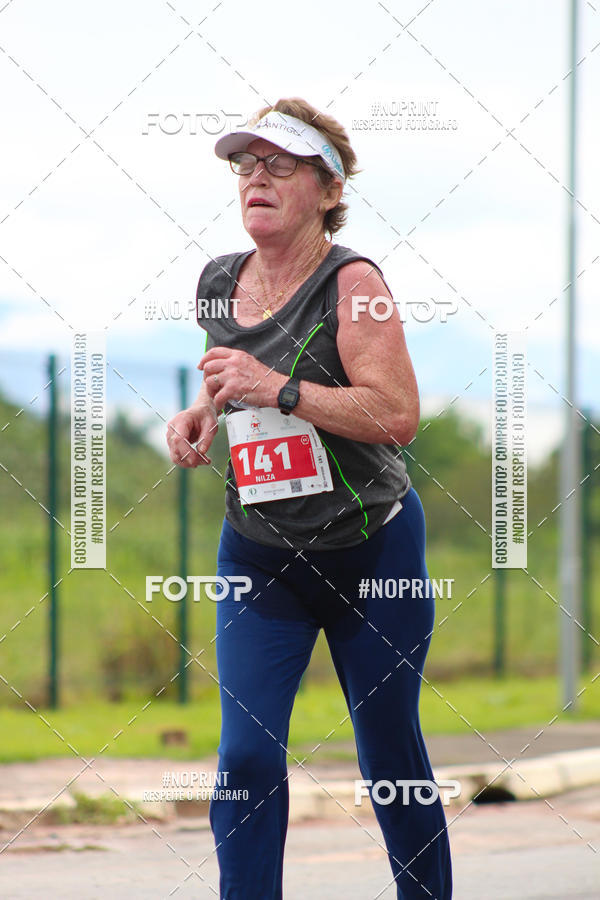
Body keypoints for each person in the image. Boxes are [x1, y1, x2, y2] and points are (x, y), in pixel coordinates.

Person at [166, 97, 453, 900]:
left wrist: (279, 388)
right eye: (246, 163)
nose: (255, 178)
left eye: (280, 165)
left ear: (328, 190)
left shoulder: (353, 285)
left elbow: (396, 415)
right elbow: (231, 377)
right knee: (247, 755)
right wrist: (203, 413)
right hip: (261, 558)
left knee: (389, 756)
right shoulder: (218, 280)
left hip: (371, 554)